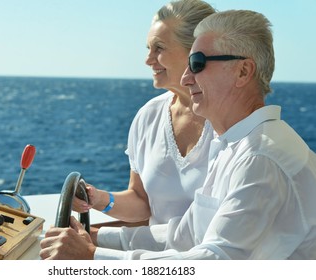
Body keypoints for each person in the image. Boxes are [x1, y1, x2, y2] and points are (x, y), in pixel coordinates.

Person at [40, 9, 316, 260]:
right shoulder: (231, 145)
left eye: (196, 63)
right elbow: (185, 235)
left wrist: (91, 256)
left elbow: (216, 261)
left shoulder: (260, 156)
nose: (186, 78)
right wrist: (96, 238)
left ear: (243, 71)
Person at [73, 0, 216, 225]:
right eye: (148, 49)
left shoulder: (229, 120)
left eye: (158, 48)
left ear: (195, 52)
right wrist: (98, 198)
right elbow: (141, 202)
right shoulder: (148, 115)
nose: (148, 60)